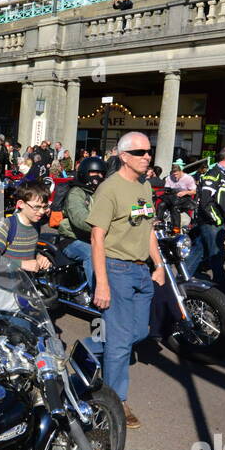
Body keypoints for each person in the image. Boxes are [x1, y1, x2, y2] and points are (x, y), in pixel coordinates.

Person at [89, 133, 167, 430]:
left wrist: (158, 265)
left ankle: (87, 350)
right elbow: (97, 237)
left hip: (141, 271)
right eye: (140, 152)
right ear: (123, 156)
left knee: (139, 331)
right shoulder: (110, 189)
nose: (147, 156)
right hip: (116, 269)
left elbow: (148, 230)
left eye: (150, 151)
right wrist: (102, 283)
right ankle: (114, 400)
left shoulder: (145, 186)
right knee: (121, 343)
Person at [0, 179, 52, 310]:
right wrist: (23, 264)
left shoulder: (36, 224)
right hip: (0, 294)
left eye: (44, 206)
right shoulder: (7, 226)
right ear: (21, 204)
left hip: (23, 291)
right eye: (36, 207)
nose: (41, 212)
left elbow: (27, 250)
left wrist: (39, 257)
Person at [186, 145, 225, 289]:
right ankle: (223, 289)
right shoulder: (214, 173)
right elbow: (205, 201)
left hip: (215, 222)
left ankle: (181, 279)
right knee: (217, 256)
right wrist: (216, 220)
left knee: (199, 251)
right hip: (211, 223)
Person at [54, 155, 104, 286]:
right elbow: (80, 218)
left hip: (93, 237)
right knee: (92, 254)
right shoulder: (76, 192)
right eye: (94, 172)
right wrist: (104, 227)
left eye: (100, 173)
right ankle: (97, 294)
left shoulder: (100, 193)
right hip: (71, 239)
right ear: (84, 173)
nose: (97, 176)